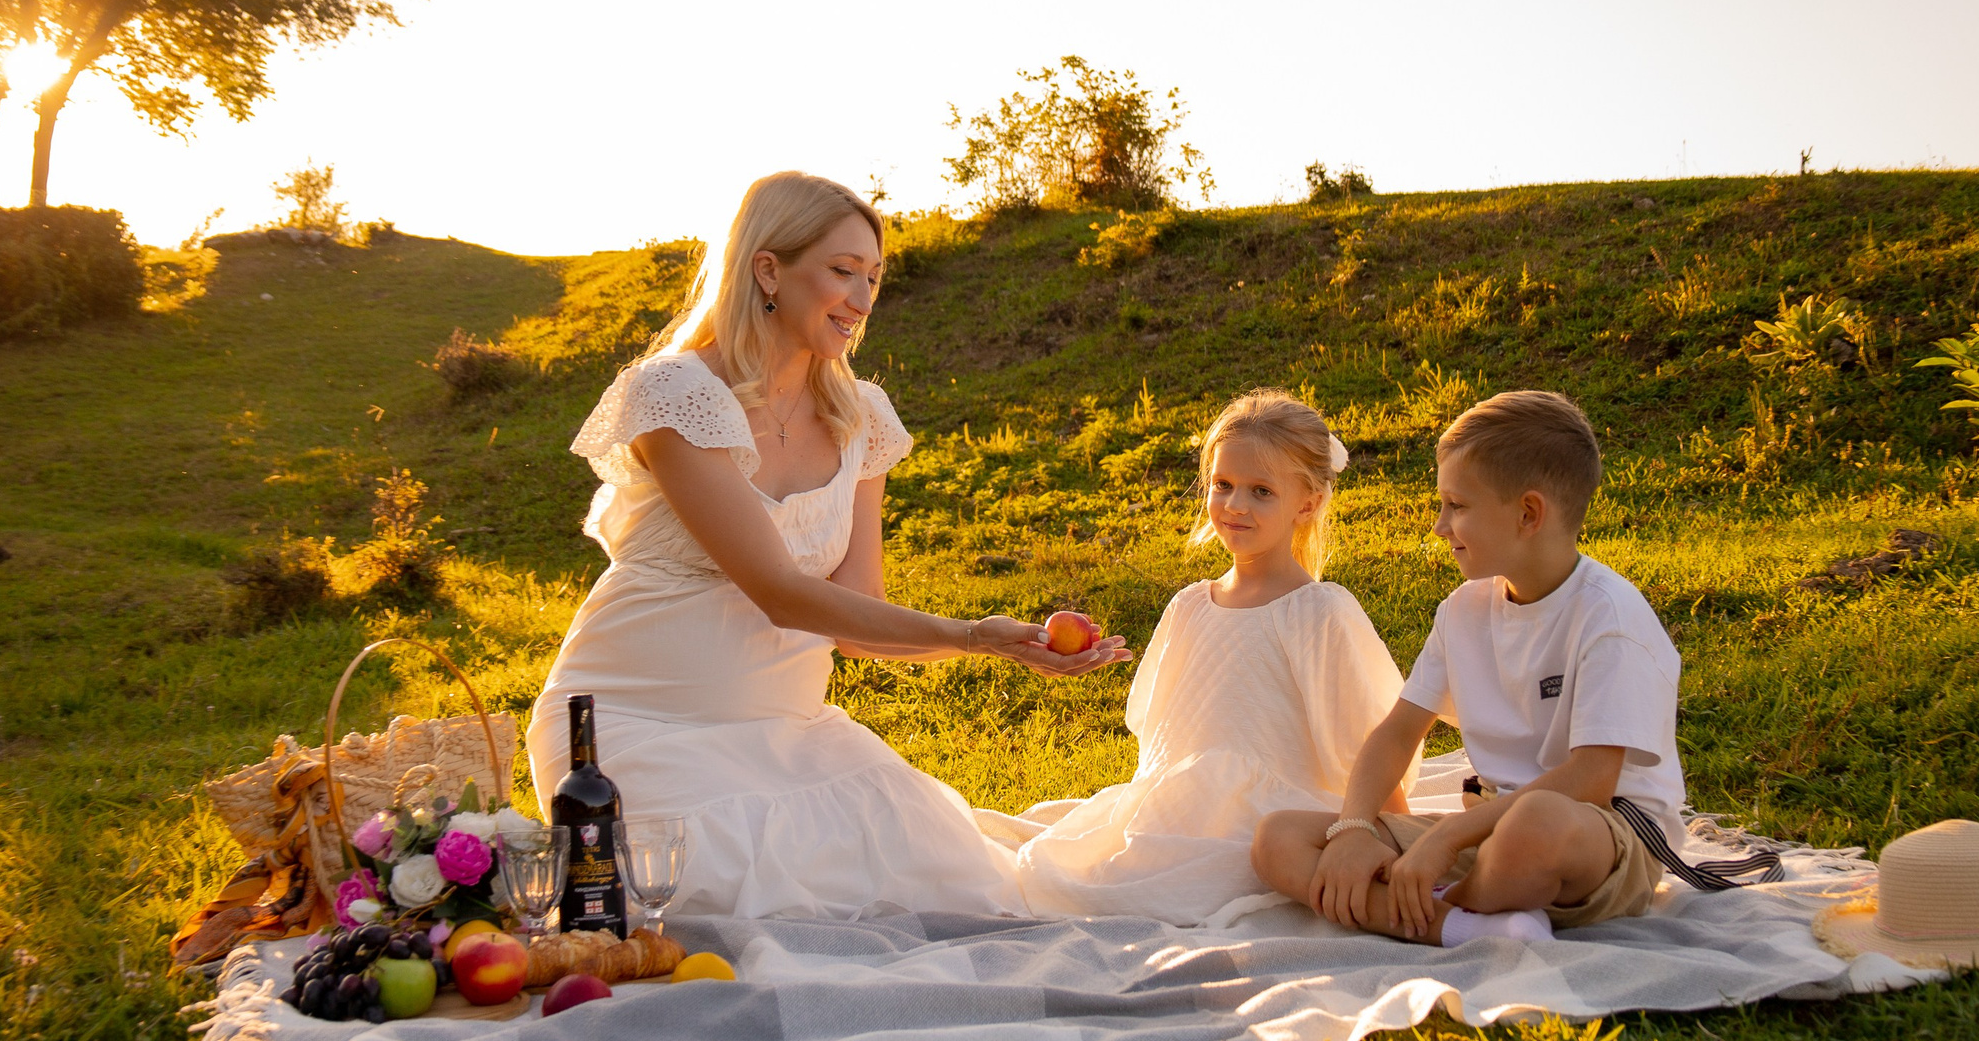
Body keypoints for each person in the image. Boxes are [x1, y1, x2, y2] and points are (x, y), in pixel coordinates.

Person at [529, 172, 1128, 919]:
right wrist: (975, 636)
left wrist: (1005, 644)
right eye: (843, 272)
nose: (863, 299)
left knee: (959, 888)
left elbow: (853, 618)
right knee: (715, 900)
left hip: (788, 734)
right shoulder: (676, 394)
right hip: (637, 725)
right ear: (768, 268)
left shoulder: (861, 418)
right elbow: (780, 592)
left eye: (873, 277)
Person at [1250, 390, 1682, 946]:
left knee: (1532, 827)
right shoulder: (1464, 610)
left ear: (1528, 514)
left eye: (1457, 505)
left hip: (1598, 834)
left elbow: (1591, 780)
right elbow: (1397, 732)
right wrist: (1355, 827)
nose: (1439, 525)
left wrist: (1446, 838)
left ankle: (1425, 904)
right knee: (1278, 838)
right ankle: (1462, 924)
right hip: (1489, 828)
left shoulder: (1609, 616)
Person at [994, 390, 1413, 926]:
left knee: (1224, 871)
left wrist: (1402, 834)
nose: (1236, 506)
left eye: (1262, 492)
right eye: (1223, 486)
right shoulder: (1191, 604)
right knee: (1089, 876)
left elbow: (1363, 734)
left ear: (1305, 504)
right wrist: (1158, 809)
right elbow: (1163, 737)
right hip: (1187, 812)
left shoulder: (1317, 611)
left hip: (1277, 813)